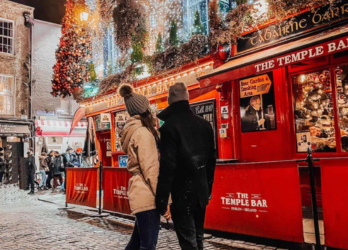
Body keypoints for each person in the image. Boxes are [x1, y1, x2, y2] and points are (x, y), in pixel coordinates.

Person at [155, 82, 216, 250]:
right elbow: (211, 161)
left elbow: (167, 166)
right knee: (198, 238)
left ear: (170, 101)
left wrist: (161, 199)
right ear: (187, 99)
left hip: (181, 193)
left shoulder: (169, 128)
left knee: (188, 242)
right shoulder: (204, 125)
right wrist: (208, 188)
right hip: (200, 192)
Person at [119, 84, 165, 250]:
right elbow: (151, 168)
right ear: (144, 110)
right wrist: (162, 199)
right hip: (147, 194)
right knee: (148, 244)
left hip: (141, 191)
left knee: (136, 243)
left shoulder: (135, 130)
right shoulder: (143, 133)